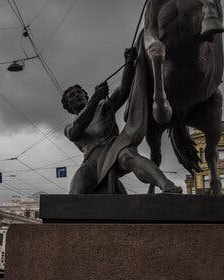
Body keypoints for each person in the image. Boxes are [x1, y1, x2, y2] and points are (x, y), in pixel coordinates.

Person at [62, 47, 180, 194]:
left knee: (128, 156)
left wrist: (129, 63)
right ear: (68, 107)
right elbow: (76, 129)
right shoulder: (68, 127)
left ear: (86, 96)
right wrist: (95, 99)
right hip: (92, 162)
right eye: (72, 96)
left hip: (115, 148)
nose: (77, 95)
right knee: (76, 190)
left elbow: (123, 91)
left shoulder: (103, 107)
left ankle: (166, 184)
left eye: (79, 92)